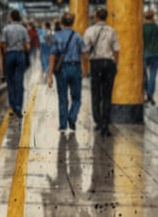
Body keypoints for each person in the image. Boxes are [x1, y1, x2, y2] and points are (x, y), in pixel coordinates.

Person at [48, 12, 88, 133]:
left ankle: (62, 125)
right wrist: (85, 68)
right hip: (75, 68)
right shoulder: (77, 36)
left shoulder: (56, 36)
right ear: (73, 23)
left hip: (61, 69)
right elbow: (84, 54)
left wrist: (49, 75)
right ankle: (72, 116)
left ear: (61, 23)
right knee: (76, 97)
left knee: (62, 97)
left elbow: (52, 56)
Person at [84, 7, 119, 136]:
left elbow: (85, 50)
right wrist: (116, 64)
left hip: (96, 64)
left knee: (96, 93)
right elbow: (116, 50)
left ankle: (98, 120)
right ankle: (105, 123)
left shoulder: (90, 31)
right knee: (107, 94)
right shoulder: (112, 31)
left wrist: (87, 65)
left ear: (96, 17)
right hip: (109, 63)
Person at [0, 9, 30, 117]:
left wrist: (6, 54)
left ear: (11, 17)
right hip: (19, 55)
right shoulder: (23, 29)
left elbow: (3, 44)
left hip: (9, 55)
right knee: (19, 82)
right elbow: (27, 46)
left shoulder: (6, 29)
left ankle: (12, 105)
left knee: (10, 81)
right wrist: (25, 53)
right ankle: (18, 107)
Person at [142, 9, 158, 105]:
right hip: (155, 54)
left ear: (145, 17)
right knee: (152, 76)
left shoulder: (142, 27)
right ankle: (150, 95)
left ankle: (147, 93)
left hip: (145, 54)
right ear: (153, 17)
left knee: (144, 75)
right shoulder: (156, 27)